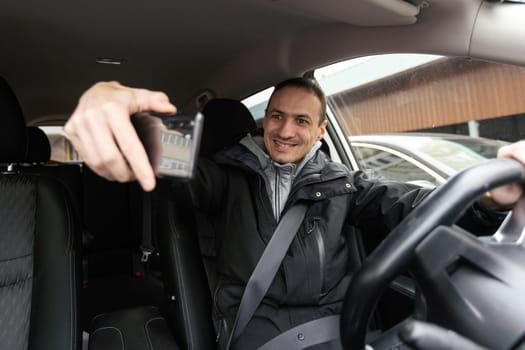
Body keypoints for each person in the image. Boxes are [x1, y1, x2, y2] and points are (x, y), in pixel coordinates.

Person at [65, 78, 525, 349]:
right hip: (258, 336)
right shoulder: (225, 175)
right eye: (277, 117)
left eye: (302, 121)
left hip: (343, 332)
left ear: (322, 130)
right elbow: (174, 167)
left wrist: (489, 198)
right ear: (263, 120)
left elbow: (412, 205)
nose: (285, 131)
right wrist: (122, 113)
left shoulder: (345, 183)